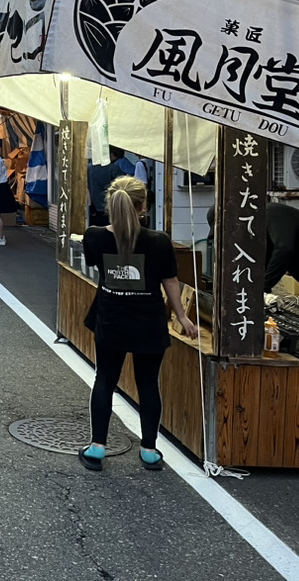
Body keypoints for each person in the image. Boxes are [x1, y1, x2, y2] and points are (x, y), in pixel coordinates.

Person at [79, 175, 198, 472]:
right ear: (143, 206)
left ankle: (97, 448)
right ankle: (148, 451)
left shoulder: (94, 236)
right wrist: (182, 316)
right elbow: (171, 280)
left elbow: (94, 265)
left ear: (111, 204)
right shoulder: (158, 241)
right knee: (147, 384)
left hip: (111, 317)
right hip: (148, 320)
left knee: (105, 379)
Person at [263, 202, 299, 315]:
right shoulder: (263, 230)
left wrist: (265, 287)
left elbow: (284, 249)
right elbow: (267, 259)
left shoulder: (273, 213)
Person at [88, 146, 132, 227]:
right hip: (111, 209)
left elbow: (86, 190)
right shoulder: (114, 169)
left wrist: (91, 207)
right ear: (110, 155)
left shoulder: (89, 168)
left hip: (94, 210)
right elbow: (122, 187)